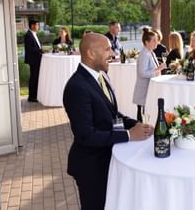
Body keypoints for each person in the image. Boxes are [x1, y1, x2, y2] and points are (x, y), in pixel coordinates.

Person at [63, 33, 153, 210]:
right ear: (90, 53)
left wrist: (134, 124)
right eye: (107, 49)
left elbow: (112, 114)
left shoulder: (101, 76)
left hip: (107, 159)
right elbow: (86, 136)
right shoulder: (76, 87)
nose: (112, 53)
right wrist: (128, 135)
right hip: (91, 167)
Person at [133, 30, 166, 121]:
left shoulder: (150, 52)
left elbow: (150, 70)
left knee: (144, 113)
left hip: (148, 88)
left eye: (157, 40)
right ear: (147, 42)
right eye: (154, 40)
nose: (157, 43)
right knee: (141, 115)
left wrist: (158, 68)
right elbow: (142, 73)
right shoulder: (145, 54)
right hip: (144, 89)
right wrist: (158, 70)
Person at [24, 20, 42, 102]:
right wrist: (40, 50)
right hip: (33, 60)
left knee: (36, 77)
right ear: (32, 26)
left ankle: (35, 95)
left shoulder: (34, 34)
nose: (38, 27)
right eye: (37, 25)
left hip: (37, 59)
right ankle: (31, 96)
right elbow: (29, 48)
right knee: (33, 78)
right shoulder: (28, 35)